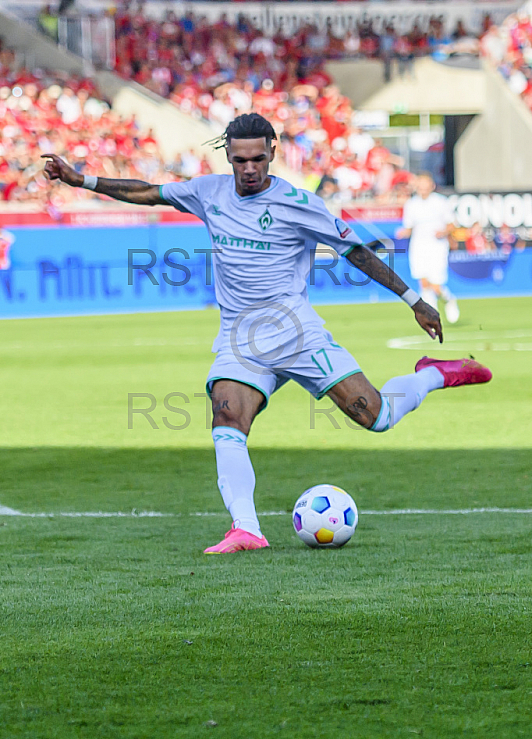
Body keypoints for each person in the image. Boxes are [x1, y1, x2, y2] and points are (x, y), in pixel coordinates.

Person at [42, 114, 491, 554]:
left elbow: (355, 251)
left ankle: (432, 374)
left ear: (273, 152)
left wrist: (414, 300)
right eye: (240, 160)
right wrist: (82, 180)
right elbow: (147, 192)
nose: (250, 169)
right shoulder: (208, 192)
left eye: (258, 159)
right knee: (226, 417)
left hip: (297, 335)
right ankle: (247, 529)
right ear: (228, 156)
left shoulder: (299, 203)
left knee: (376, 416)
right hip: (240, 340)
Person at [397, 172, 460, 324]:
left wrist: (443, 232)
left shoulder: (441, 202)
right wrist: (403, 232)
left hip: (437, 246)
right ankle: (432, 316)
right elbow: (409, 227)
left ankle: (449, 300)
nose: (422, 190)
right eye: (420, 187)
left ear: (432, 186)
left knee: (436, 285)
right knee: (424, 283)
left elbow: (452, 224)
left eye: (425, 187)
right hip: (418, 246)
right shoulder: (411, 204)